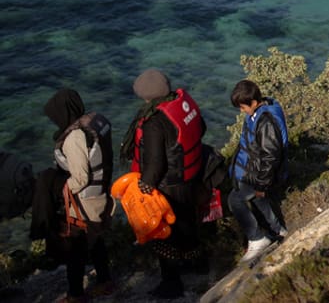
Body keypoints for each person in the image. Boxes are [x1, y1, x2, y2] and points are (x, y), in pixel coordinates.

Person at [120, 69, 206, 299]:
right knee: (187, 223)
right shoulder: (181, 103)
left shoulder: (154, 123)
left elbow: (155, 163)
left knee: (162, 232)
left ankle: (172, 282)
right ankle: (197, 264)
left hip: (169, 185)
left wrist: (144, 187)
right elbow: (202, 128)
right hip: (189, 176)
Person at [41, 89, 115, 302]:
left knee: (75, 248)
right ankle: (105, 281)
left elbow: (80, 178)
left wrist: (59, 189)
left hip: (83, 201)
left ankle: (76, 295)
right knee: (96, 240)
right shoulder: (90, 123)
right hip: (99, 194)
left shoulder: (74, 137)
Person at [228, 79, 289, 262]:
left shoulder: (266, 122)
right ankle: (277, 229)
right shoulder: (260, 112)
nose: (241, 111)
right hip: (257, 171)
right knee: (256, 198)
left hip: (264, 174)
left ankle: (257, 239)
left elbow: (270, 156)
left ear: (254, 103)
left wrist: (261, 184)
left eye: (243, 107)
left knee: (235, 200)